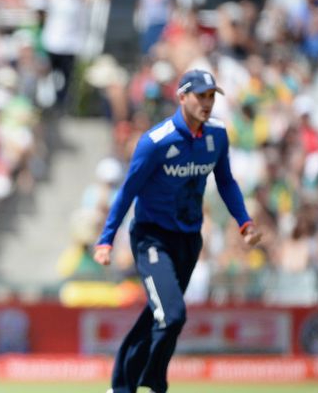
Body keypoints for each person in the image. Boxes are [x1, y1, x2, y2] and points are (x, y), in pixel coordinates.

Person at [93, 69, 260, 393]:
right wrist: (106, 240)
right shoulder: (156, 141)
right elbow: (127, 192)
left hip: (188, 240)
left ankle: (122, 386)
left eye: (212, 96)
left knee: (160, 315)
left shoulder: (217, 136)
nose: (207, 103)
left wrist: (245, 223)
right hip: (151, 238)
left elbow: (225, 181)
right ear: (182, 97)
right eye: (200, 95)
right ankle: (153, 381)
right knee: (172, 316)